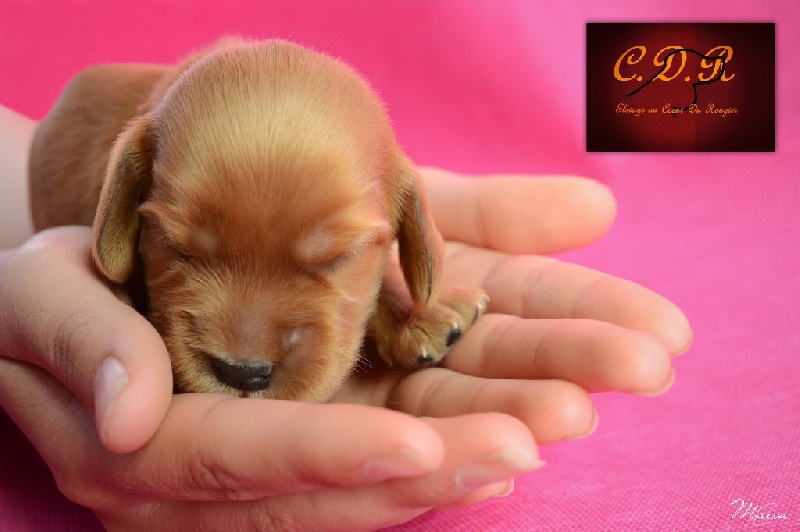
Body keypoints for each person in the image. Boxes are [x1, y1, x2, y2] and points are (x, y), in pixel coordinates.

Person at [0, 104, 691, 530]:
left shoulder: (388, 207)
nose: (245, 350)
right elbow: (107, 252)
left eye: (330, 258)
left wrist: (399, 306)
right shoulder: (130, 155)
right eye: (183, 247)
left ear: (411, 233)